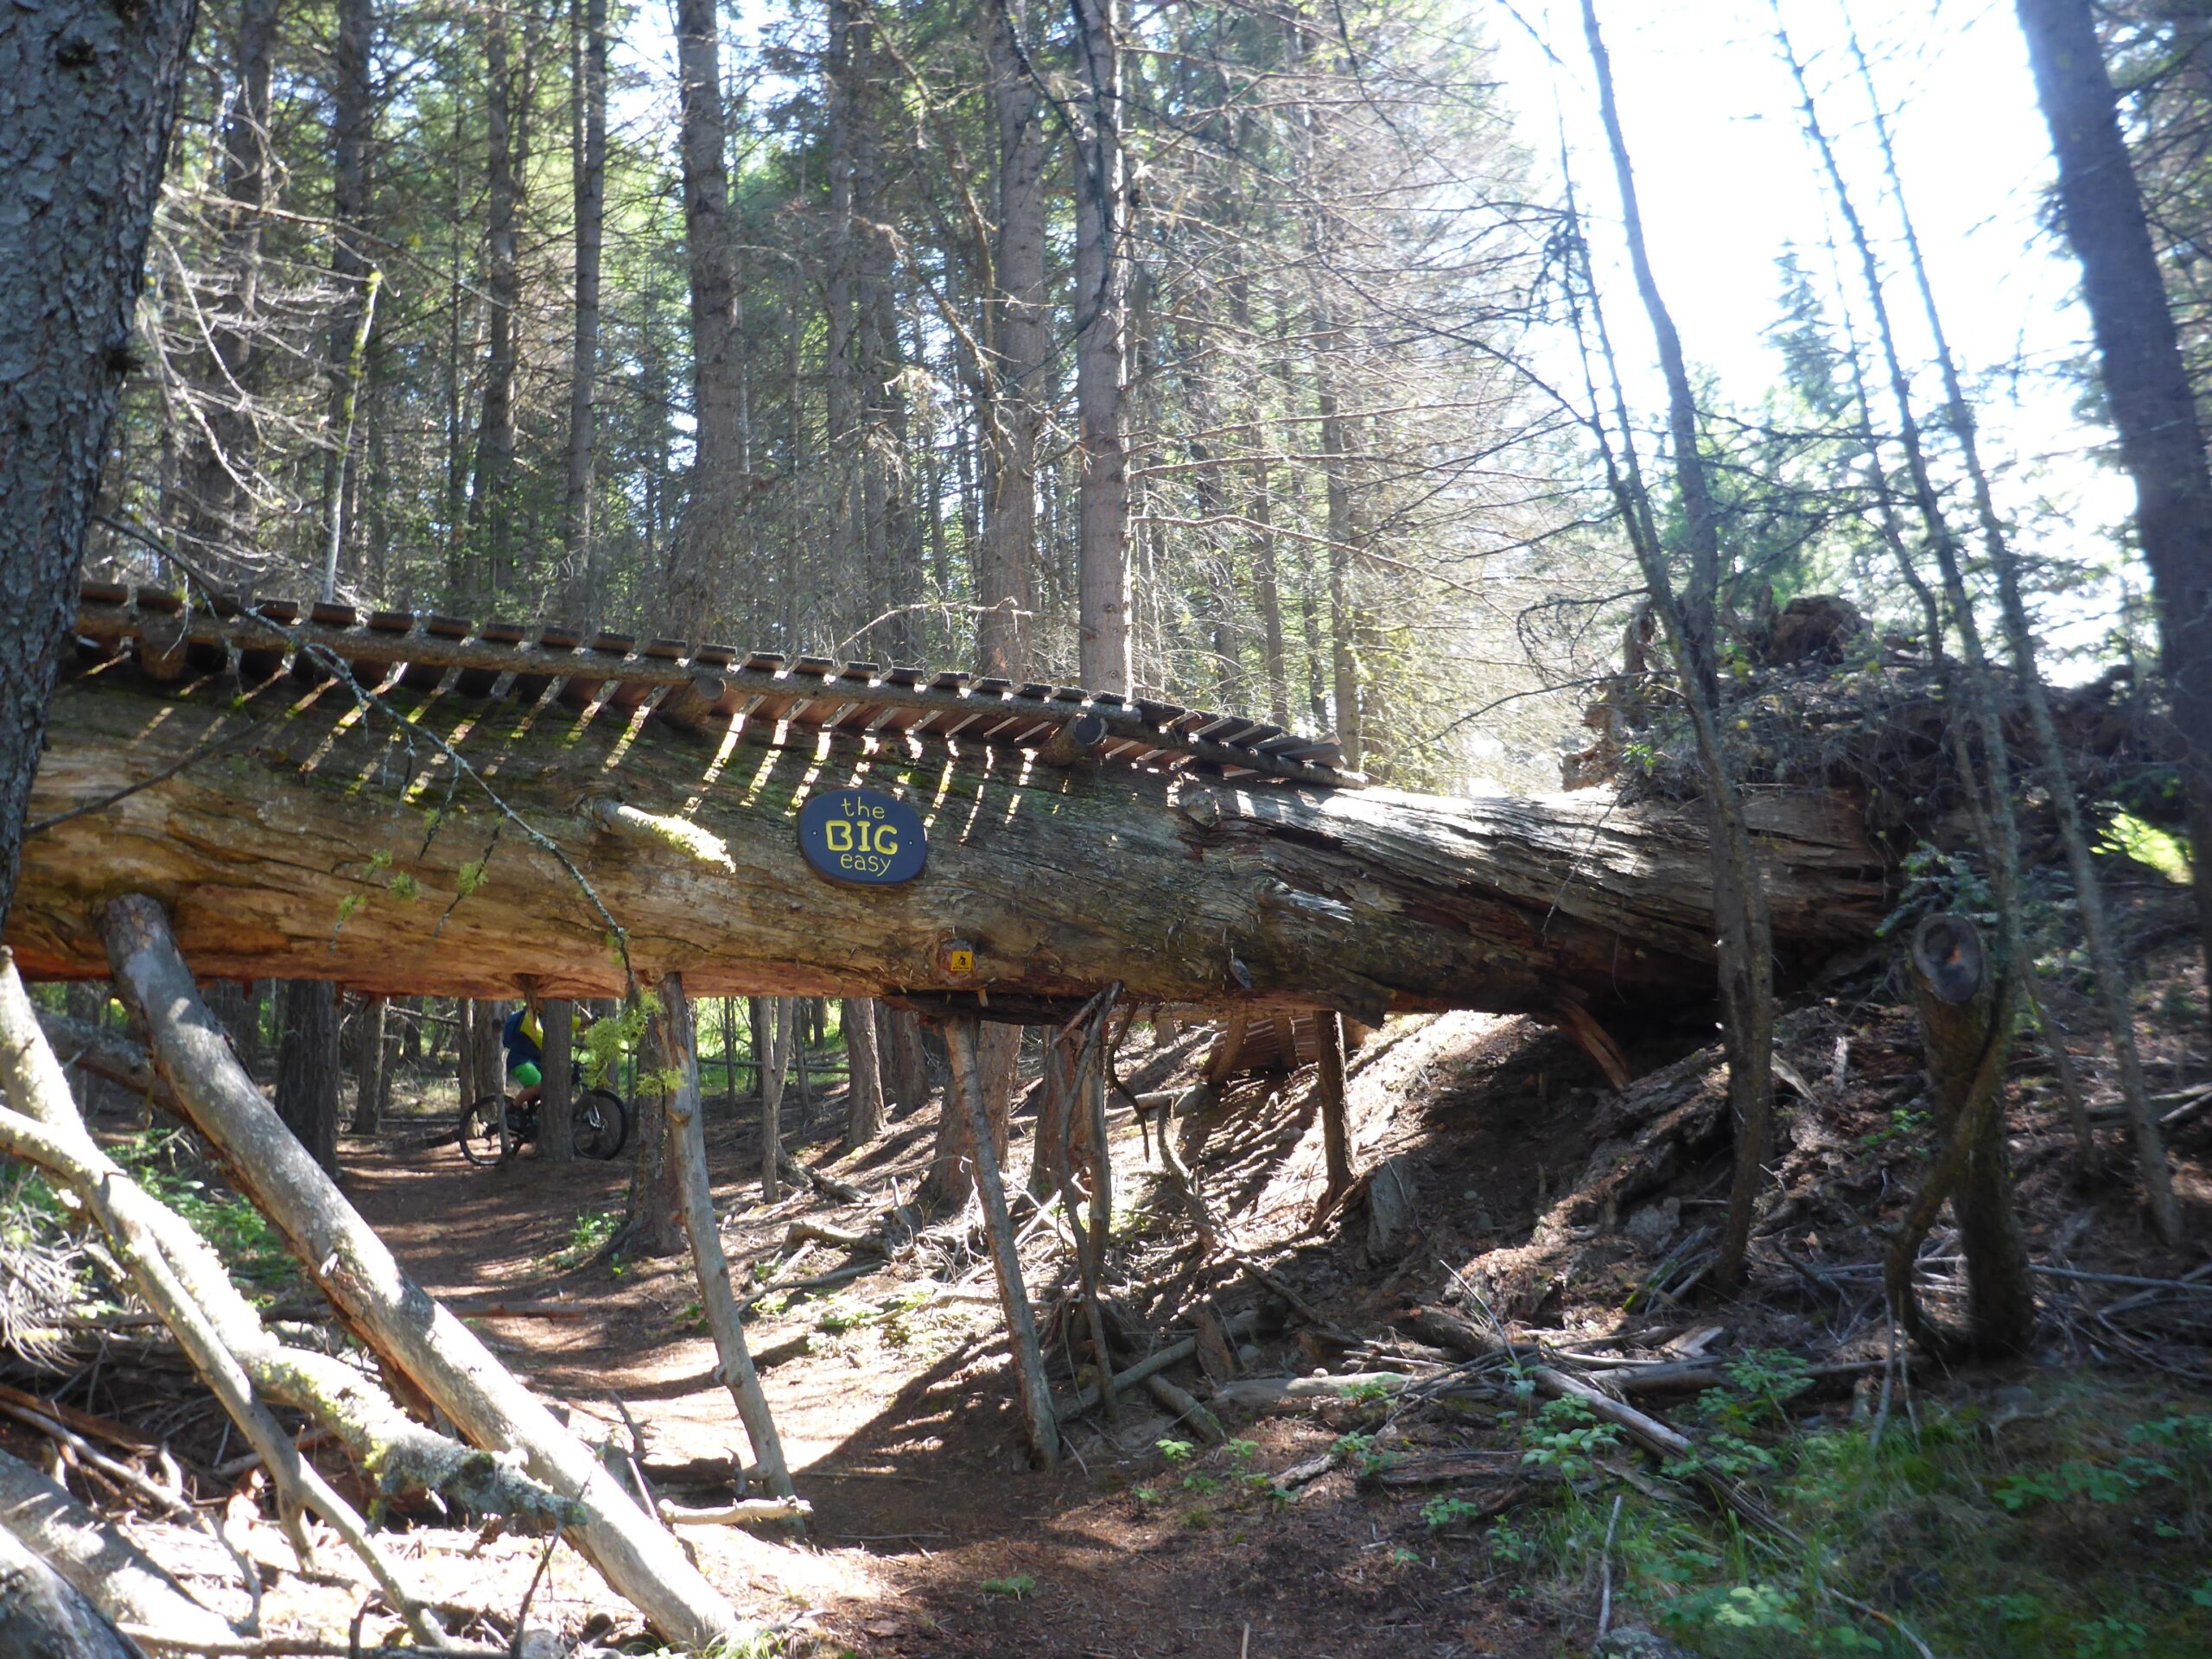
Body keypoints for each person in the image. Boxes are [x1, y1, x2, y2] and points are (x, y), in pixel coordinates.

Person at [502, 1001, 545, 1108]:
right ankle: (513, 1108)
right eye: (542, 1000)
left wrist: (588, 1022)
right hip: (520, 1062)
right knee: (541, 1086)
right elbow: (543, 1042)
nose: (546, 1003)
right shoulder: (528, 1018)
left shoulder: (543, 1018)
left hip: (535, 1062)